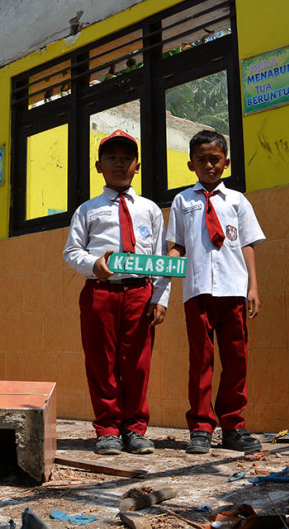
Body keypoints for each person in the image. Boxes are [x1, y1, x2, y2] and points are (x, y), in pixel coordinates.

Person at [63, 130, 171, 455]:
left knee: (137, 363)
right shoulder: (87, 210)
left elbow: (161, 259)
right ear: (99, 166)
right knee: (101, 362)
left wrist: (160, 298)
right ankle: (108, 429)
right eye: (111, 158)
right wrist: (93, 264)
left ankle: (135, 429)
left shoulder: (150, 210)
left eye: (126, 159)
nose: (119, 164)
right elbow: (71, 251)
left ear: (137, 166)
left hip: (140, 292)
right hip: (100, 293)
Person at [167, 129, 265, 454]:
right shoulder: (183, 201)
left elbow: (247, 244)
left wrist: (253, 286)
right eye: (201, 160)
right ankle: (200, 427)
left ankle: (233, 426)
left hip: (234, 290)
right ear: (191, 164)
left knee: (236, 359)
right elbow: (177, 246)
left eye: (215, 160)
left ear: (226, 163)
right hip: (197, 292)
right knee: (201, 360)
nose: (209, 165)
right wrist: (165, 265)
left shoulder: (238, 200)